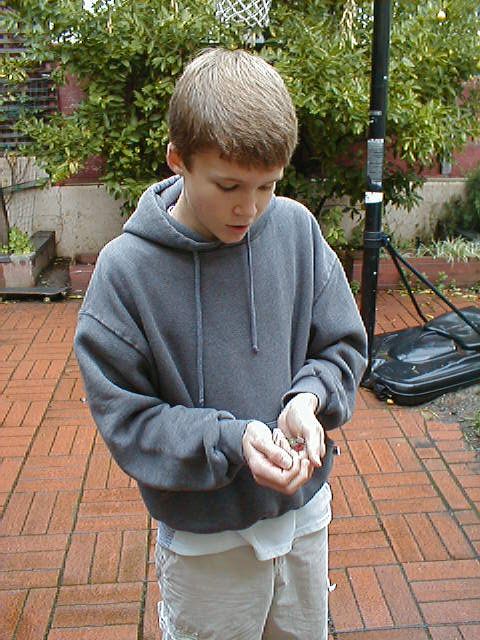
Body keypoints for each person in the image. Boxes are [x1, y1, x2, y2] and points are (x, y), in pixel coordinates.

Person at [74, 47, 367, 640]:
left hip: (305, 517)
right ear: (178, 160)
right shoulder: (124, 274)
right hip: (205, 541)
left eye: (268, 186)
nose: (250, 208)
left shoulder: (296, 231)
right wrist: (232, 440)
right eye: (229, 185)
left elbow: (341, 344)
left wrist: (307, 400)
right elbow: (127, 419)